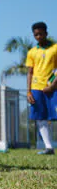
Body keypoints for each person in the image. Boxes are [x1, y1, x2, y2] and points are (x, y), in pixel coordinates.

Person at [26, 22, 57, 155]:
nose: (38, 37)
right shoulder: (32, 52)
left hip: (52, 87)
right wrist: (28, 91)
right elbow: (30, 72)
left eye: (41, 34)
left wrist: (53, 85)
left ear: (46, 33)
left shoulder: (55, 48)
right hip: (36, 88)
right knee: (40, 117)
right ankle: (49, 147)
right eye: (36, 35)